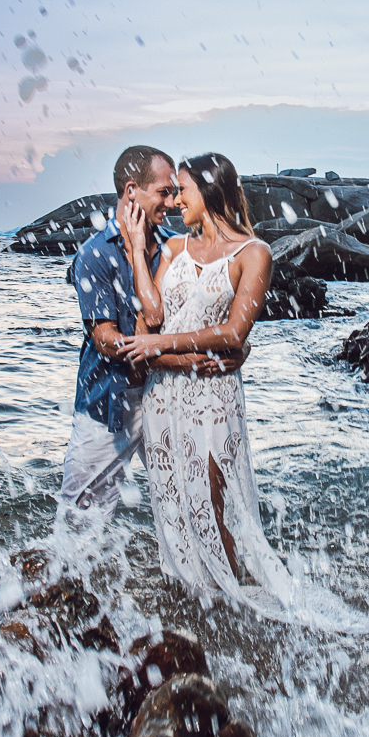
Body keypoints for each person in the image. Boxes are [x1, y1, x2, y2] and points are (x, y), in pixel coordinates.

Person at [117, 152, 298, 614]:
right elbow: (147, 321)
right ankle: (190, 602)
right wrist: (136, 249)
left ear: (210, 190)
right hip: (163, 399)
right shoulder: (173, 249)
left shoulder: (254, 254)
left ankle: (230, 606)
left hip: (213, 398)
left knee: (213, 505)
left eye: (183, 190)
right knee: (173, 501)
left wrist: (161, 346)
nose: (176, 200)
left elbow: (234, 334)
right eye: (174, 191)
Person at [60, 144, 241, 519]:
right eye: (164, 192)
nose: (172, 202)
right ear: (131, 191)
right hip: (109, 402)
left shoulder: (175, 246)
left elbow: (211, 311)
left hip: (170, 398)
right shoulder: (94, 255)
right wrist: (180, 360)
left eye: (175, 192)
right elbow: (105, 341)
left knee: (188, 504)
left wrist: (238, 348)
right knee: (80, 519)